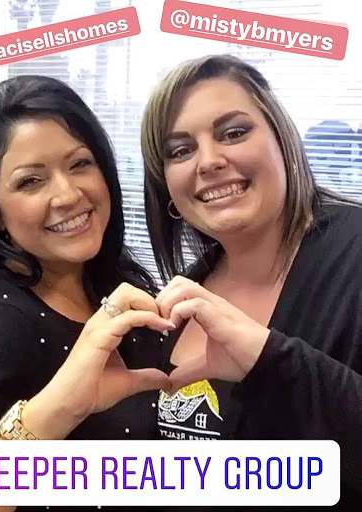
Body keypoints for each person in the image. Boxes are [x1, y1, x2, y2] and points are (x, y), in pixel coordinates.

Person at [0, 75, 176, 512]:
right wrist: (55, 411)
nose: (68, 195)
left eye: (80, 164)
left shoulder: (116, 286)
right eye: (31, 182)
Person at [141, 54, 362, 507]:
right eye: (181, 151)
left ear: (282, 139)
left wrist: (268, 359)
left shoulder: (354, 254)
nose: (209, 161)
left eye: (234, 133)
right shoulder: (184, 294)